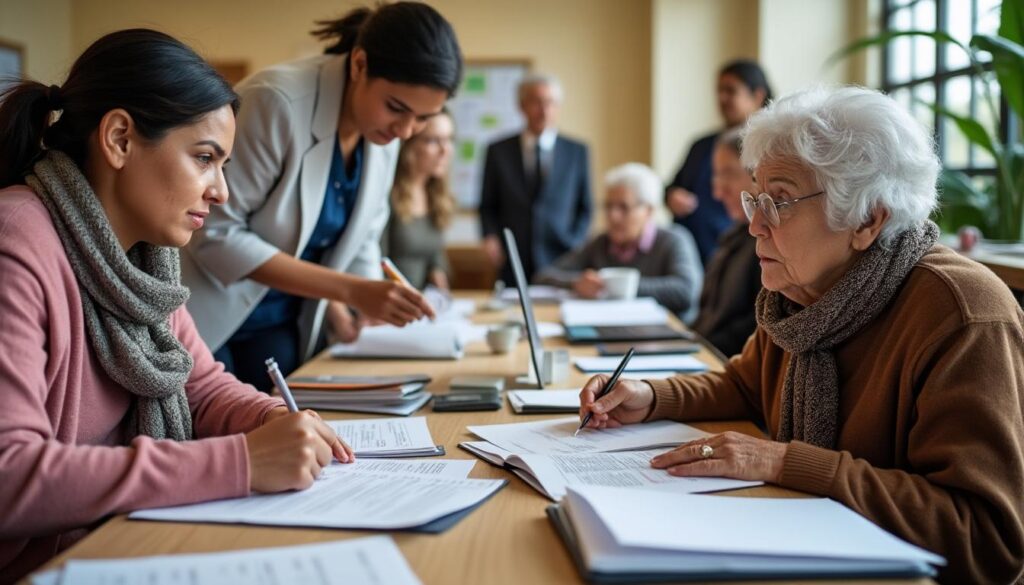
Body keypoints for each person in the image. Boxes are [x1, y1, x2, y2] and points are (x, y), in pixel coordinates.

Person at [578, 86, 1024, 584]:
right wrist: (650, 395)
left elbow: (986, 538)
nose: (755, 225)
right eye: (756, 198)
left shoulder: (962, 313)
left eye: (780, 201)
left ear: (867, 218)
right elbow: (747, 385)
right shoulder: (804, 293)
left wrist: (785, 462)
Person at [0, 29, 356, 583]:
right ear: (119, 139)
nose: (221, 191)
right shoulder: (17, 239)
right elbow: (10, 475)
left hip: (120, 542)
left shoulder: (145, 258)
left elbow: (202, 386)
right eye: (205, 158)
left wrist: (272, 420)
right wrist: (243, 462)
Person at [181, 2, 462, 391]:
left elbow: (364, 236)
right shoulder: (275, 102)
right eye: (396, 108)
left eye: (423, 118)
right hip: (209, 314)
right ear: (359, 64)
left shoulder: (387, 131)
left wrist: (361, 305)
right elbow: (215, 233)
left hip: (285, 323)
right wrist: (351, 290)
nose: (406, 131)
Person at [535, 163, 702, 322]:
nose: (613, 216)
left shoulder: (674, 240)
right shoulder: (601, 243)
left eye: (624, 207)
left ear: (648, 211)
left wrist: (618, 286)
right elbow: (544, 276)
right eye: (608, 206)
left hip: (666, 334)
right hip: (612, 330)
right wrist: (576, 283)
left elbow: (686, 291)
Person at [479, 74, 592, 284]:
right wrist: (490, 237)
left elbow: (585, 206)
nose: (544, 110)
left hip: (562, 257)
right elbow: (487, 205)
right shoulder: (498, 151)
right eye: (537, 102)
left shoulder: (577, 151)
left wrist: (575, 242)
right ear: (522, 106)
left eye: (550, 103)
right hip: (512, 257)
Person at [666, 60, 771, 265]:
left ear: (757, 96)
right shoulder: (702, 145)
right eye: (719, 91)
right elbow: (673, 186)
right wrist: (672, 196)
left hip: (737, 252)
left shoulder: (768, 149)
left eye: (731, 91)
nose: (722, 98)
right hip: (692, 253)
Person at [690, 128, 761, 356]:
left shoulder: (766, 245)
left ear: (757, 174)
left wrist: (697, 347)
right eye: (716, 175)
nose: (718, 191)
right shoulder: (732, 237)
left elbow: (755, 327)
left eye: (728, 173)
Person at [381, 109, 456, 291]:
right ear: (410, 146)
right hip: (389, 298)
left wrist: (437, 269)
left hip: (423, 300)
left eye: (449, 139)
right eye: (433, 141)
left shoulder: (435, 194)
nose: (445, 150)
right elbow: (376, 262)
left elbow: (434, 253)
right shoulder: (387, 194)